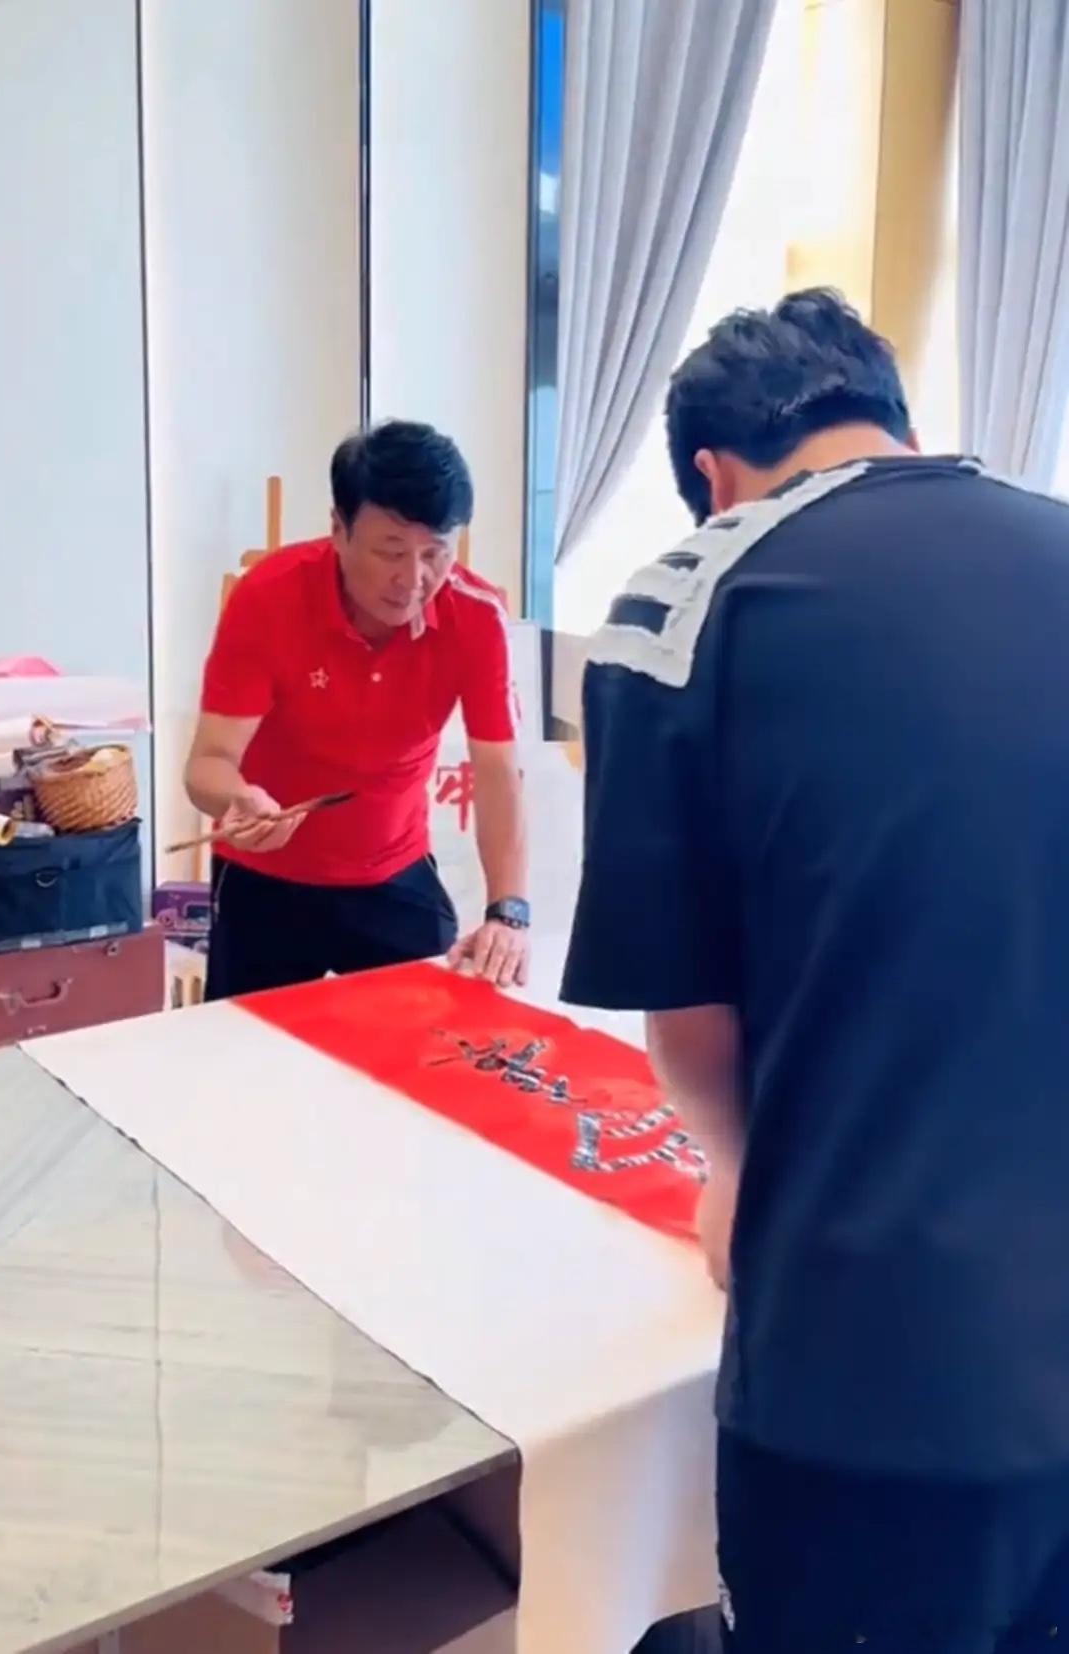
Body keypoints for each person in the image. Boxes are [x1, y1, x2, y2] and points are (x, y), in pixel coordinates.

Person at [562, 289, 1069, 1653]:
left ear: (712, 476)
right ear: (892, 415)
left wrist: (733, 1175)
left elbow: (692, 1029)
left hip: (874, 1372)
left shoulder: (690, 598)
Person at [186, 420, 530, 1001]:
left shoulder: (475, 616)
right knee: (246, 1049)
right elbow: (206, 765)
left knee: (433, 1035)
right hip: (267, 878)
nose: (413, 580)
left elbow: (498, 772)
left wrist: (508, 911)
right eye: (390, 552)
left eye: (435, 554)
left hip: (393, 871)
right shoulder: (269, 597)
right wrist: (236, 798)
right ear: (338, 531)